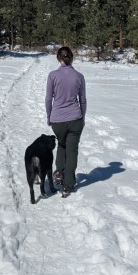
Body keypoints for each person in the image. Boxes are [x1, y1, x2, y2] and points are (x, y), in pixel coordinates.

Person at [45, 46, 87, 197]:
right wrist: (82, 117)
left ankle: (59, 172)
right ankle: (68, 186)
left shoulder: (52, 76)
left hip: (57, 120)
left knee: (62, 145)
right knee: (72, 151)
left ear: (58, 58)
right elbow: (82, 100)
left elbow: (49, 98)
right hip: (75, 118)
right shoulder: (79, 76)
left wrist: (49, 116)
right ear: (72, 58)